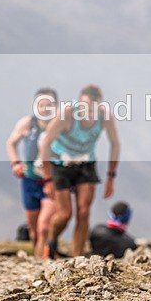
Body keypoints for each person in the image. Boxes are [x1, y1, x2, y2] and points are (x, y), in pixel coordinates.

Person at [40, 84, 121, 258]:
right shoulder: (66, 115)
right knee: (64, 214)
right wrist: (47, 179)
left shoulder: (105, 117)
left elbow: (115, 144)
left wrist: (111, 176)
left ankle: (78, 256)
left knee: (84, 212)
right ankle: (52, 241)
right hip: (60, 163)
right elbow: (45, 144)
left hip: (85, 164)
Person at [6, 88, 58, 257]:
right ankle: (39, 257)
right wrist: (16, 164)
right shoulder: (27, 124)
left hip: (52, 181)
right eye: (41, 105)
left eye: (49, 105)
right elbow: (11, 143)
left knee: (44, 226)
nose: (45, 109)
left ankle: (43, 262)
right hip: (29, 180)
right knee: (34, 231)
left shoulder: (61, 126)